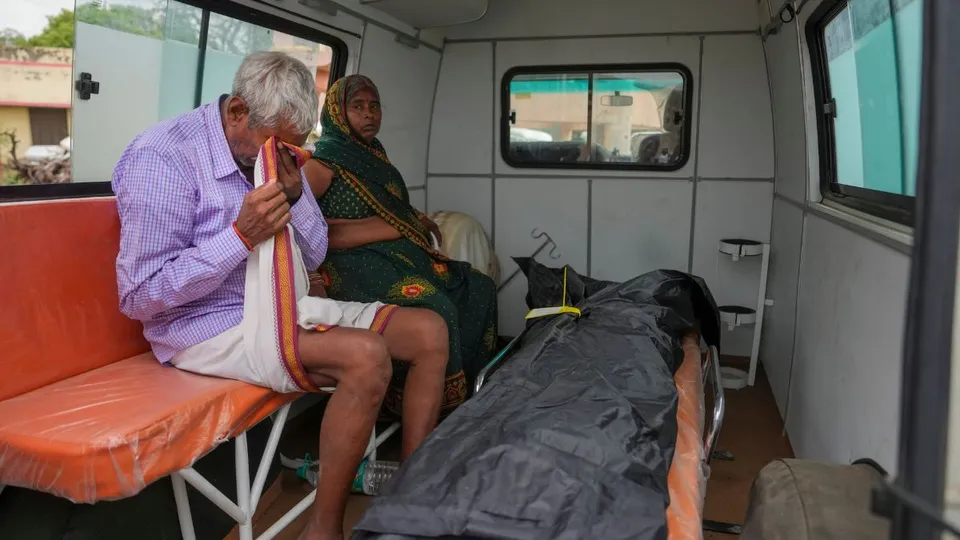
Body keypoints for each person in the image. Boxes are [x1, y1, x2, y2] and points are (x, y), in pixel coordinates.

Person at [112, 52, 449, 540]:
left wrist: (294, 197)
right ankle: (324, 529)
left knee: (428, 331)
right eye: (276, 144)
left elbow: (311, 256)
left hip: (276, 302)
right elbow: (141, 296)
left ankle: (415, 491)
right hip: (202, 324)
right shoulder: (162, 158)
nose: (280, 155)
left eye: (292, 145)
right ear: (236, 114)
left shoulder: (274, 150)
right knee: (366, 356)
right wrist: (240, 237)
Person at [303, 75, 499, 416]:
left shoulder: (375, 155)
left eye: (374, 106)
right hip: (349, 267)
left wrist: (411, 220)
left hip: (391, 258)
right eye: (358, 106)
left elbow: (392, 207)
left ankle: (468, 397)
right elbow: (306, 229)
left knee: (478, 286)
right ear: (336, 112)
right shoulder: (322, 165)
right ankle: (428, 406)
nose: (369, 114)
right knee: (436, 305)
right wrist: (388, 227)